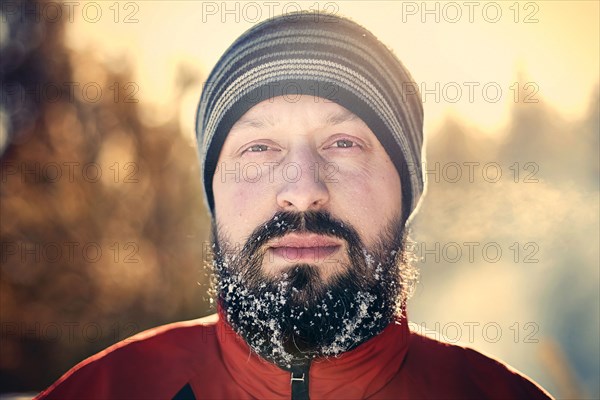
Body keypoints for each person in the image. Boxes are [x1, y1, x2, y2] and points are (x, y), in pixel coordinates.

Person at [36, 11, 553, 400]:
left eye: (344, 144)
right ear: (214, 194)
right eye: (258, 148)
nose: (302, 189)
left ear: (407, 191)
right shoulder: (111, 389)